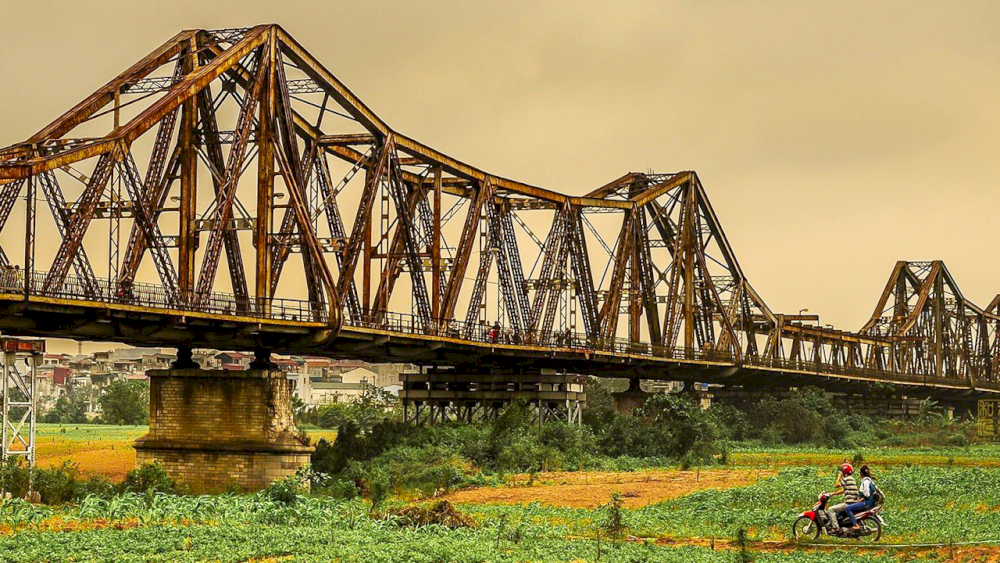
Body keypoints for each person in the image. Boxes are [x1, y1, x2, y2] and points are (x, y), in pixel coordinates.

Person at [843, 465, 877, 530]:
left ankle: (855, 524)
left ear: (861, 474)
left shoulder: (865, 482)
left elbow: (867, 494)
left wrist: (860, 499)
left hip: (866, 503)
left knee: (847, 508)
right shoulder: (870, 481)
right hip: (870, 502)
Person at [826, 462, 859, 530]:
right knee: (838, 511)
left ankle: (835, 527)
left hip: (849, 503)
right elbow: (844, 490)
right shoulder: (851, 479)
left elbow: (836, 485)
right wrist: (833, 494)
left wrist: (839, 476)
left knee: (830, 509)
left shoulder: (846, 479)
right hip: (855, 501)